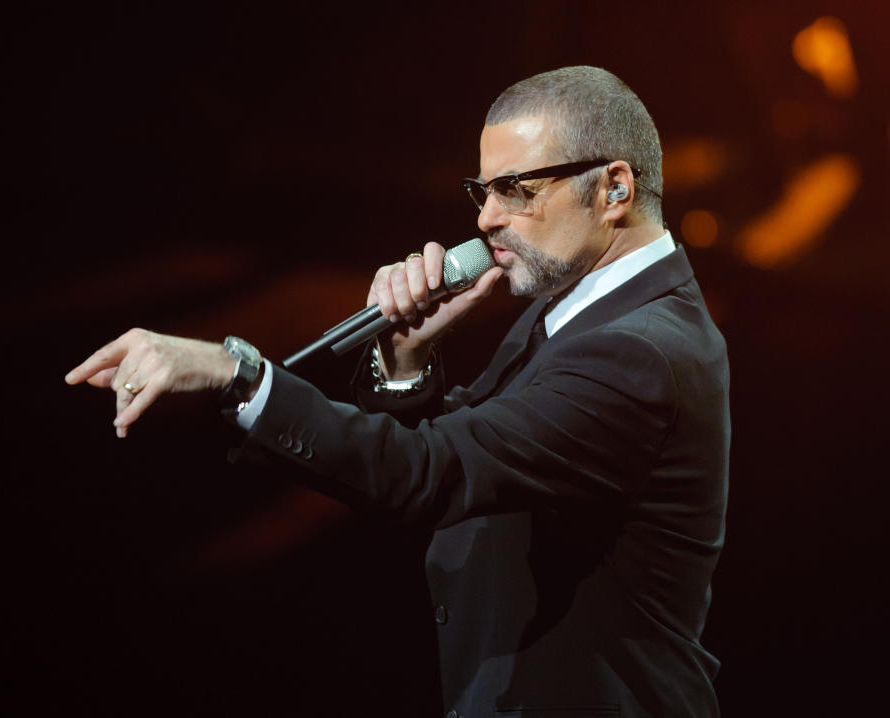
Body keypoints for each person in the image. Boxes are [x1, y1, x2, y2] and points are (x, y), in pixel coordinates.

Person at [67, 66, 729, 717]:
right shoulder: (587, 301)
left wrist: (234, 370)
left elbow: (433, 470)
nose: (488, 220)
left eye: (514, 190)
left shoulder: (636, 351)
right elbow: (491, 462)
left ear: (614, 188)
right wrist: (405, 353)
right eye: (482, 191)